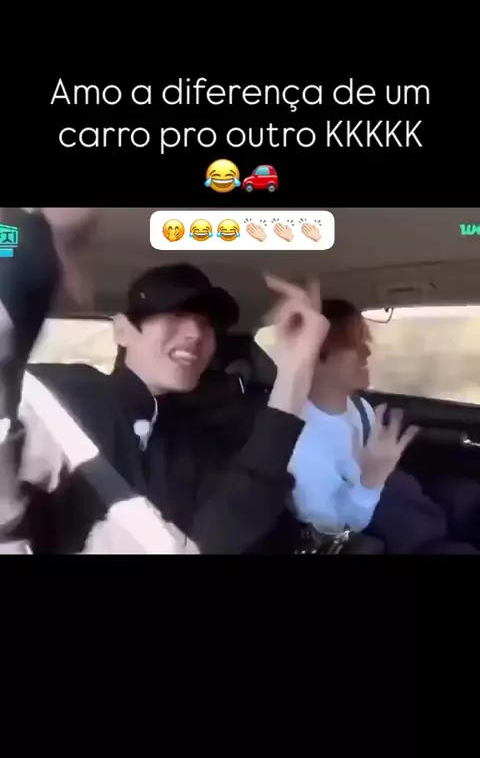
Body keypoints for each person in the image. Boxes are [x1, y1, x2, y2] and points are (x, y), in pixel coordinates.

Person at [0, 207, 330, 555]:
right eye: (175, 314)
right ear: (123, 330)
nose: (195, 334)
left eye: (208, 324)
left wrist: (295, 369)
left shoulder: (201, 438)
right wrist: (30, 234)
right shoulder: (60, 394)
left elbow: (223, 531)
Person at [288, 298, 479, 554]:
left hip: (416, 510)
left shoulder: (358, 407)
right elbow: (332, 527)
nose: (367, 353)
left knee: (468, 496)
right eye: (355, 344)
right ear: (316, 357)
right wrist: (370, 480)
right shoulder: (302, 438)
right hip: (395, 537)